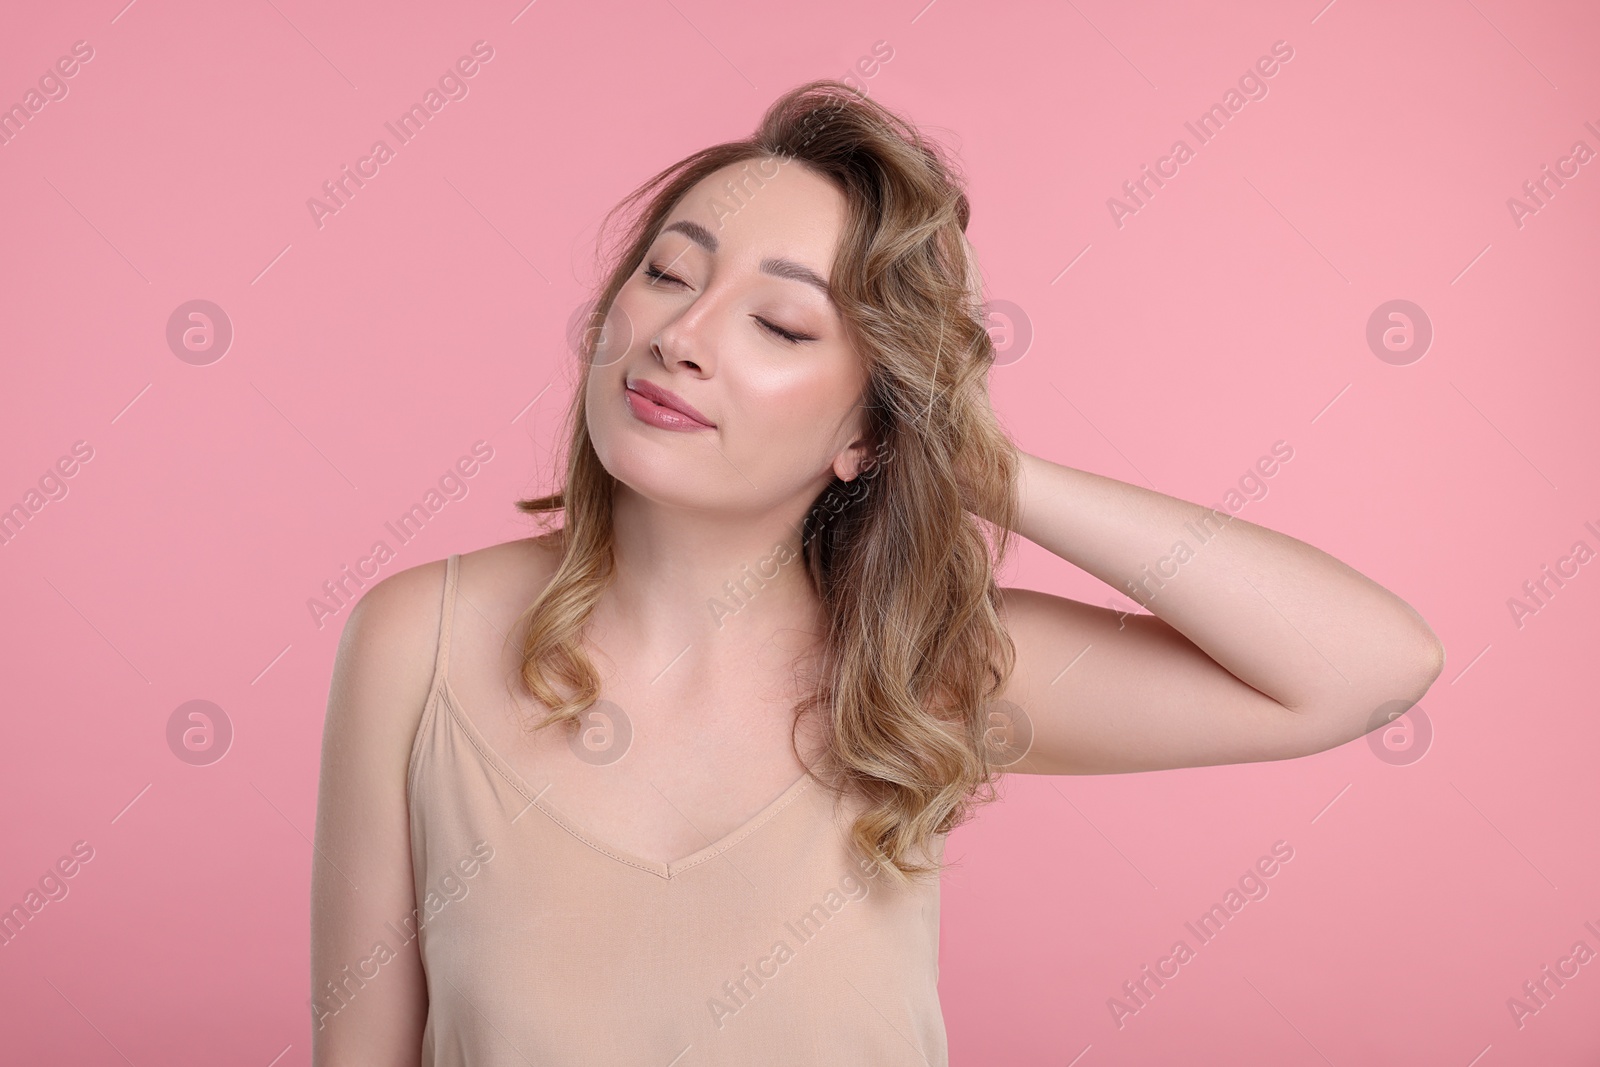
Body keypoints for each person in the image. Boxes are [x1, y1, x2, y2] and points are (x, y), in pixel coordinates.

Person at [309, 79, 1443, 1066]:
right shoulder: (424, 636)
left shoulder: (926, 671)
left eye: (783, 325)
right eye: (666, 273)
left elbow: (1367, 667)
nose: (681, 334)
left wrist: (987, 468)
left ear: (869, 430)